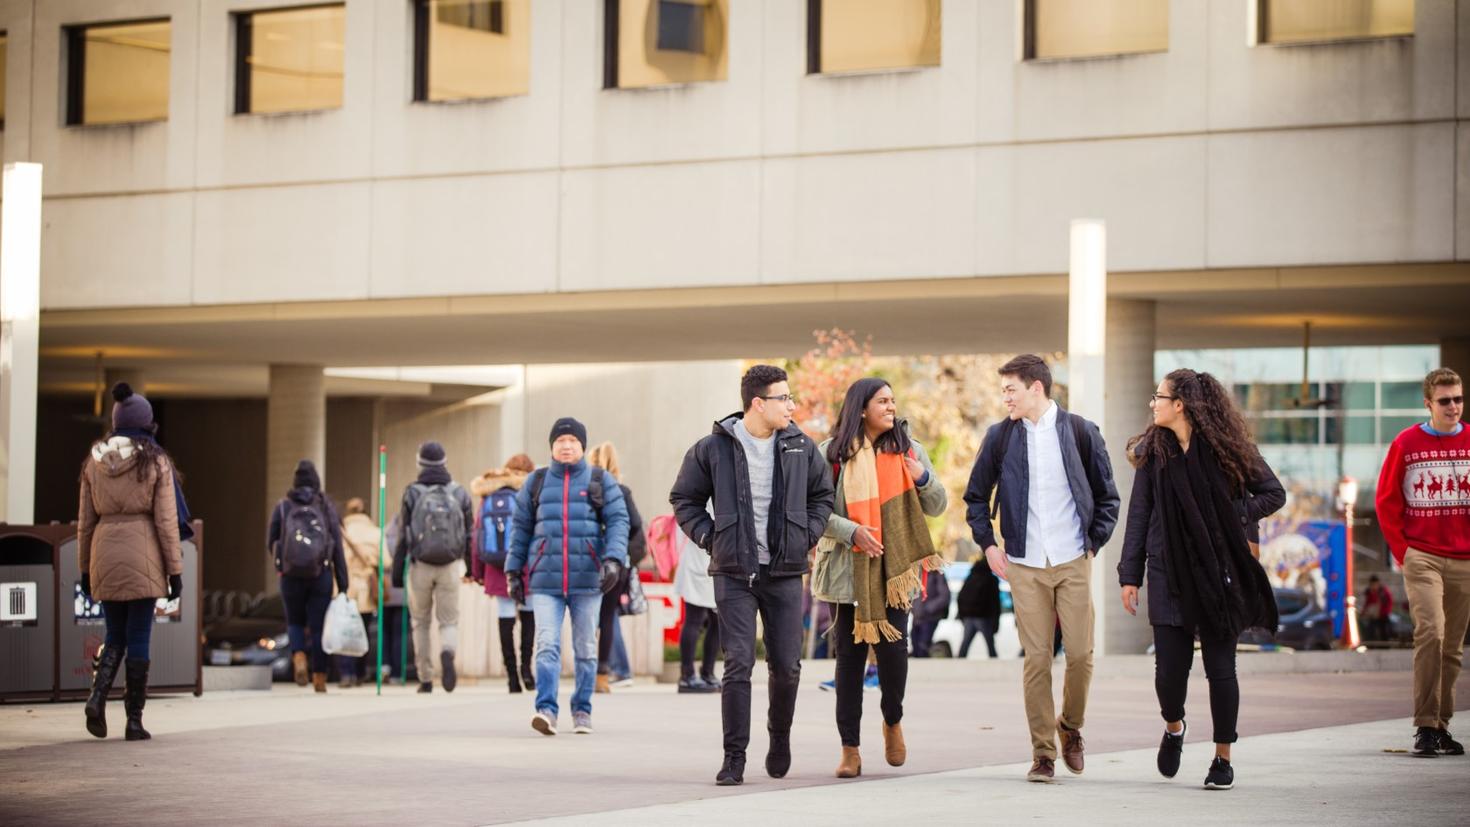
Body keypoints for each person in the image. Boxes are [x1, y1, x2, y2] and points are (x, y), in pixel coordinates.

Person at [1117, 368, 1285, 791]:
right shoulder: (1155, 454)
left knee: (1221, 670)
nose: (1152, 403)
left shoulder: (1230, 449)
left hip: (1220, 573)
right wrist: (1129, 575)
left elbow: (1273, 493)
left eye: (1159, 396)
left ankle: (1222, 758)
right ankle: (1174, 727)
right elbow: (1139, 517)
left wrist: (1231, 517)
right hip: (1168, 571)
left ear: (1181, 405)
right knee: (1168, 676)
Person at [669, 364, 836, 786]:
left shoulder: (801, 446)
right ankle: (734, 757)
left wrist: (808, 535)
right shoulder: (713, 448)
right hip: (734, 570)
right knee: (738, 663)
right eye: (784, 398)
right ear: (758, 403)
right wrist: (711, 537)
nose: (792, 406)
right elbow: (684, 498)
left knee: (786, 666)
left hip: (783, 570)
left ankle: (779, 738)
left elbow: (823, 496)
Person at [963, 354, 1120, 783]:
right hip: (1024, 564)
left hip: (1072, 558)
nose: (1005, 397)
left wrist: (1094, 542)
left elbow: (1108, 497)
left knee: (1082, 655)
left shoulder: (1081, 432)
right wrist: (990, 546)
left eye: (1011, 389)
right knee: (1036, 660)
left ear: (1037, 387)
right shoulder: (1000, 437)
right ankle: (1043, 753)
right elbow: (975, 498)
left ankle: (1070, 726)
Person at [814, 377, 947, 778]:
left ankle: (892, 720)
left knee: (893, 656)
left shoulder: (909, 449)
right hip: (846, 571)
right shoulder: (830, 455)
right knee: (849, 663)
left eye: (893, 400)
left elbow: (938, 505)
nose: (891, 407)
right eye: (882, 401)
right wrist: (851, 531)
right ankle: (850, 748)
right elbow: (813, 513)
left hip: (895, 571)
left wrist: (921, 476)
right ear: (860, 409)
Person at [506, 418, 630, 736]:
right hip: (545, 582)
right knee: (546, 644)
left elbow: (618, 521)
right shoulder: (535, 483)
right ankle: (546, 710)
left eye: (572, 440)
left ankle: (582, 710)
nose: (566, 445)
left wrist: (613, 560)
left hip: (588, 581)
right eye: (560, 440)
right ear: (551, 446)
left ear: (582, 446)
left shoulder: (600, 480)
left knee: (586, 648)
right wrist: (513, 571)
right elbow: (519, 530)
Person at [79, 382, 186, 740]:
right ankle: (134, 720)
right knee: (139, 635)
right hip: (144, 554)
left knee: (114, 634)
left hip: (104, 553)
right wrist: (175, 571)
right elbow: (167, 522)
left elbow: (85, 522)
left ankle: (97, 697)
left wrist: (84, 568)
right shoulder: (155, 460)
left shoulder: (94, 462)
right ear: (146, 423)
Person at [1375, 367, 1470, 758]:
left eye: (1458, 399)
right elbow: (1386, 500)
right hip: (1423, 556)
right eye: (1445, 400)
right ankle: (1425, 727)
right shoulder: (1406, 443)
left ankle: (1440, 726)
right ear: (1428, 403)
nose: (1453, 407)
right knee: (1430, 632)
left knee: (1453, 647)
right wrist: (1404, 552)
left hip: (1465, 559)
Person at [390, 441, 474, 694]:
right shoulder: (459, 492)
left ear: (420, 464)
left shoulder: (412, 492)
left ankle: (425, 678)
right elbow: (470, 534)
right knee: (449, 621)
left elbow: (404, 535)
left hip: (420, 566)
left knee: (421, 622)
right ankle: (447, 653)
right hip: (450, 565)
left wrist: (397, 570)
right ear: (444, 462)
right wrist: (470, 567)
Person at [267, 459, 349, 694]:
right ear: (316, 482)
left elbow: (270, 540)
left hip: (290, 575)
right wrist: (343, 582)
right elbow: (338, 547)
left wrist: (282, 565)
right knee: (318, 626)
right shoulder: (325, 507)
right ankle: (320, 677)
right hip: (320, 574)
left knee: (294, 622)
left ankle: (299, 656)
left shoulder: (283, 506)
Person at [470, 453, 538, 693]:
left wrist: (476, 572)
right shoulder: (530, 492)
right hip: (527, 565)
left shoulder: (489, 493)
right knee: (529, 615)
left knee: (505, 616)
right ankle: (526, 671)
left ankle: (511, 678)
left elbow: (477, 535)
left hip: (497, 567)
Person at [587, 441, 645, 693]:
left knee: (586, 617)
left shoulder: (584, 489)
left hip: (587, 560)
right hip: (615, 561)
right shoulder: (621, 490)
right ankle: (602, 674)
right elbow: (635, 524)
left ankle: (589, 671)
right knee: (608, 617)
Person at [674, 516, 721, 693]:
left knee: (717, 622)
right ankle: (687, 676)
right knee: (694, 619)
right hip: (697, 561)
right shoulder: (700, 491)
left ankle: (708, 673)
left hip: (718, 562)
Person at [339, 497, 384, 687]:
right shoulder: (375, 532)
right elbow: (386, 560)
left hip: (347, 585)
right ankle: (360, 672)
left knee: (346, 629)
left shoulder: (342, 532)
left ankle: (346, 673)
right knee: (363, 630)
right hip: (366, 586)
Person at [957, 559, 1002, 659]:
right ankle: (994, 662)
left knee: (965, 643)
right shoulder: (991, 579)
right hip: (984, 617)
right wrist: (996, 621)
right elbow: (995, 602)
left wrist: (962, 615)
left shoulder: (969, 577)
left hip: (969, 616)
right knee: (990, 643)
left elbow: (960, 597)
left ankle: (958, 663)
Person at [908, 569, 951, 658]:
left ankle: (925, 669)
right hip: (917, 617)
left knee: (923, 646)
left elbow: (944, 596)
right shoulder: (915, 573)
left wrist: (928, 608)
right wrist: (913, 609)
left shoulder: (937, 574)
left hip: (930, 617)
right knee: (915, 644)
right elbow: (911, 595)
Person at [1362, 575, 1394, 643]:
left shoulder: (1384, 591)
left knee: (1384, 630)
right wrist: (1364, 612)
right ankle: (1371, 644)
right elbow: (1367, 603)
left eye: (1374, 584)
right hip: (1373, 615)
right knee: (1370, 629)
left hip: (1383, 615)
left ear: (1378, 583)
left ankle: (1385, 644)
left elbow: (1389, 603)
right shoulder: (1369, 592)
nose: (1373, 586)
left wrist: (1384, 612)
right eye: (1372, 585)